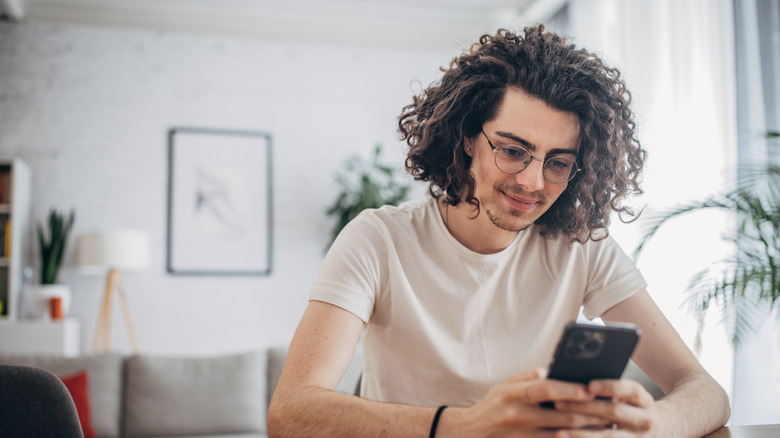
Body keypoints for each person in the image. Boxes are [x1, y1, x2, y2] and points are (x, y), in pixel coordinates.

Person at [267, 24, 730, 437]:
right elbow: (290, 413)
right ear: (468, 137)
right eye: (512, 151)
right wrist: (466, 425)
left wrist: (652, 425)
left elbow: (706, 392)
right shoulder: (377, 240)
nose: (533, 182)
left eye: (559, 162)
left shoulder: (581, 247)